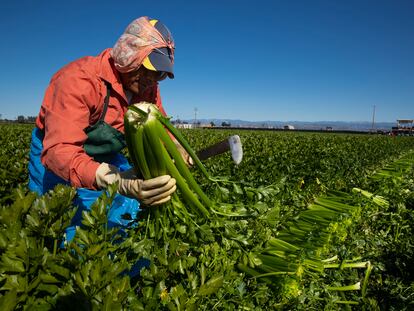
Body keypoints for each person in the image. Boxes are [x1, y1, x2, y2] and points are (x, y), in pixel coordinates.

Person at [28, 16, 189, 244]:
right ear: (128, 54)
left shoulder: (148, 87)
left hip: (108, 153)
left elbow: (160, 124)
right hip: (57, 155)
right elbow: (59, 150)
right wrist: (116, 181)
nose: (151, 80)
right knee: (61, 225)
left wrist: (174, 147)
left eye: (159, 74)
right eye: (148, 69)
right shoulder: (78, 80)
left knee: (122, 215)